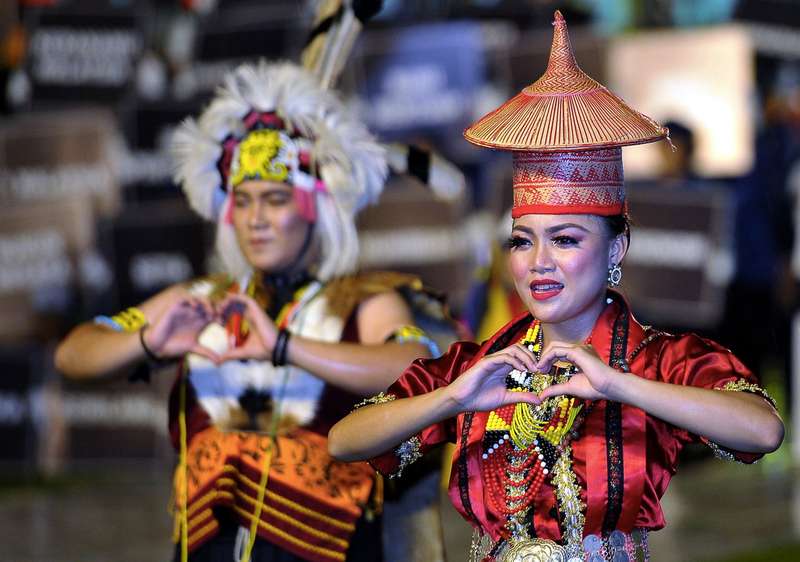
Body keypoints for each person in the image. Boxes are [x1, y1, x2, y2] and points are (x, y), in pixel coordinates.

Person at [328, 12, 784, 562]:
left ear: (616, 249)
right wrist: (453, 398)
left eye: (565, 240)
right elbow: (345, 441)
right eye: (522, 241)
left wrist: (620, 386)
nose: (538, 263)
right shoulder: (476, 368)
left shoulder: (660, 361)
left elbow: (761, 431)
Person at [55, 61, 445, 562]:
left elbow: (417, 368)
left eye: (276, 199)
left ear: (314, 206)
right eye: (243, 201)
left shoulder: (363, 299)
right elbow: (73, 355)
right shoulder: (202, 299)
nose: (256, 219)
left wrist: (283, 346)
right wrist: (149, 343)